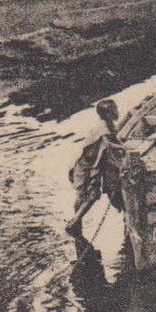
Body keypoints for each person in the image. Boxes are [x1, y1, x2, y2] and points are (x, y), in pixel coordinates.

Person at [66, 100, 121, 236]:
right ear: (106, 114)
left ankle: (76, 223)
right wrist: (124, 148)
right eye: (113, 110)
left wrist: (121, 144)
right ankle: (75, 222)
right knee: (83, 194)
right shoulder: (102, 126)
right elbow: (108, 144)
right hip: (85, 164)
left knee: (93, 194)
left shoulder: (109, 125)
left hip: (94, 164)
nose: (116, 112)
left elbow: (114, 140)